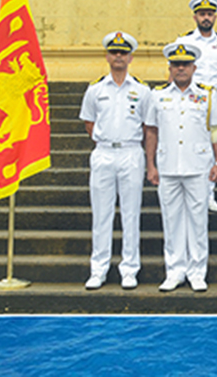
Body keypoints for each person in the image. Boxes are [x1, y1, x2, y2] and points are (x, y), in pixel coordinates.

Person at [144, 43, 217, 293]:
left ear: (194, 68)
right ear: (169, 68)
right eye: (176, 64)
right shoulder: (156, 95)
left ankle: (197, 271)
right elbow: (151, 131)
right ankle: (175, 270)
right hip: (168, 166)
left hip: (198, 166)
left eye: (185, 64)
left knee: (198, 221)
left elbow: (216, 131)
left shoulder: (208, 95)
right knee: (172, 220)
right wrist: (150, 165)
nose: (181, 68)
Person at [79, 31, 151, 290]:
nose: (118, 56)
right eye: (114, 52)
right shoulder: (95, 89)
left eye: (123, 52)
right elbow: (89, 122)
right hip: (104, 153)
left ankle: (129, 268)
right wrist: (106, 139)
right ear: (107, 56)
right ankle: (98, 268)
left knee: (131, 214)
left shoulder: (142, 90)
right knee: (101, 214)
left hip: (131, 152)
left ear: (131, 57)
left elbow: (147, 125)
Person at [175, 0, 217, 213]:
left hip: (216, 98)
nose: (206, 18)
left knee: (214, 144)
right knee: (191, 141)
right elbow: (174, 72)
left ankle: (209, 194)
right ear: (195, 17)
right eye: (202, 14)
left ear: (215, 17)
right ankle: (189, 192)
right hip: (192, 96)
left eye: (209, 14)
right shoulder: (184, 42)